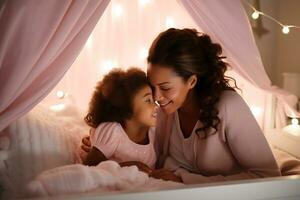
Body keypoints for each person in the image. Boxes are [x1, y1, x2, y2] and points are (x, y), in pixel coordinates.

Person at [82, 28, 281, 184]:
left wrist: (185, 180)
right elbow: (152, 157)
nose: (157, 97)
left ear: (192, 82)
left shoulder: (228, 106)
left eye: (165, 88)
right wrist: (105, 146)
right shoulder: (167, 112)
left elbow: (268, 176)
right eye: (152, 87)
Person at [82, 67, 158, 175]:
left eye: (154, 100)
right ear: (126, 107)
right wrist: (126, 167)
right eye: (148, 100)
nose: (155, 106)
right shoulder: (113, 132)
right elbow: (88, 167)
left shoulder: (153, 132)